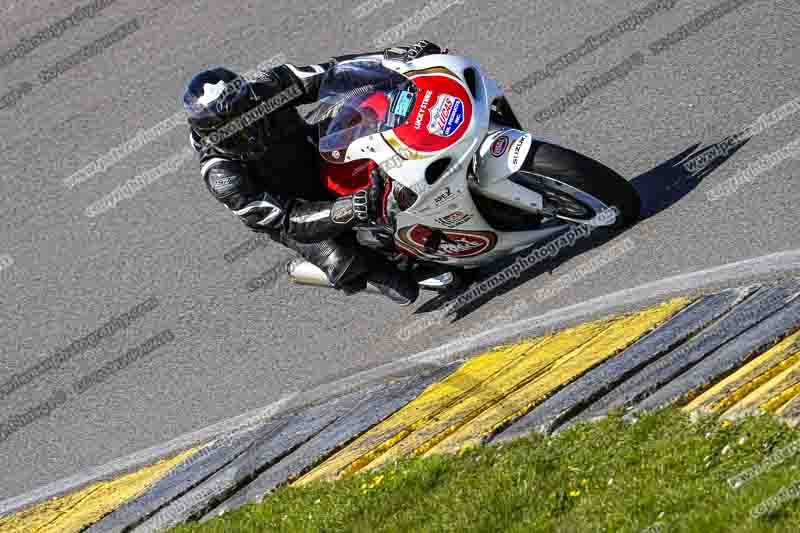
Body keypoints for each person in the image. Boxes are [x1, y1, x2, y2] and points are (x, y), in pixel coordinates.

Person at [183, 40, 446, 305]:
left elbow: (333, 72)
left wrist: (397, 58)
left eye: (248, 117)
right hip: (297, 211)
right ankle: (363, 266)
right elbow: (287, 220)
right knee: (369, 273)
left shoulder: (266, 88)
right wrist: (348, 209)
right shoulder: (222, 175)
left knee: (372, 103)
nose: (247, 131)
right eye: (235, 131)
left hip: (316, 151)